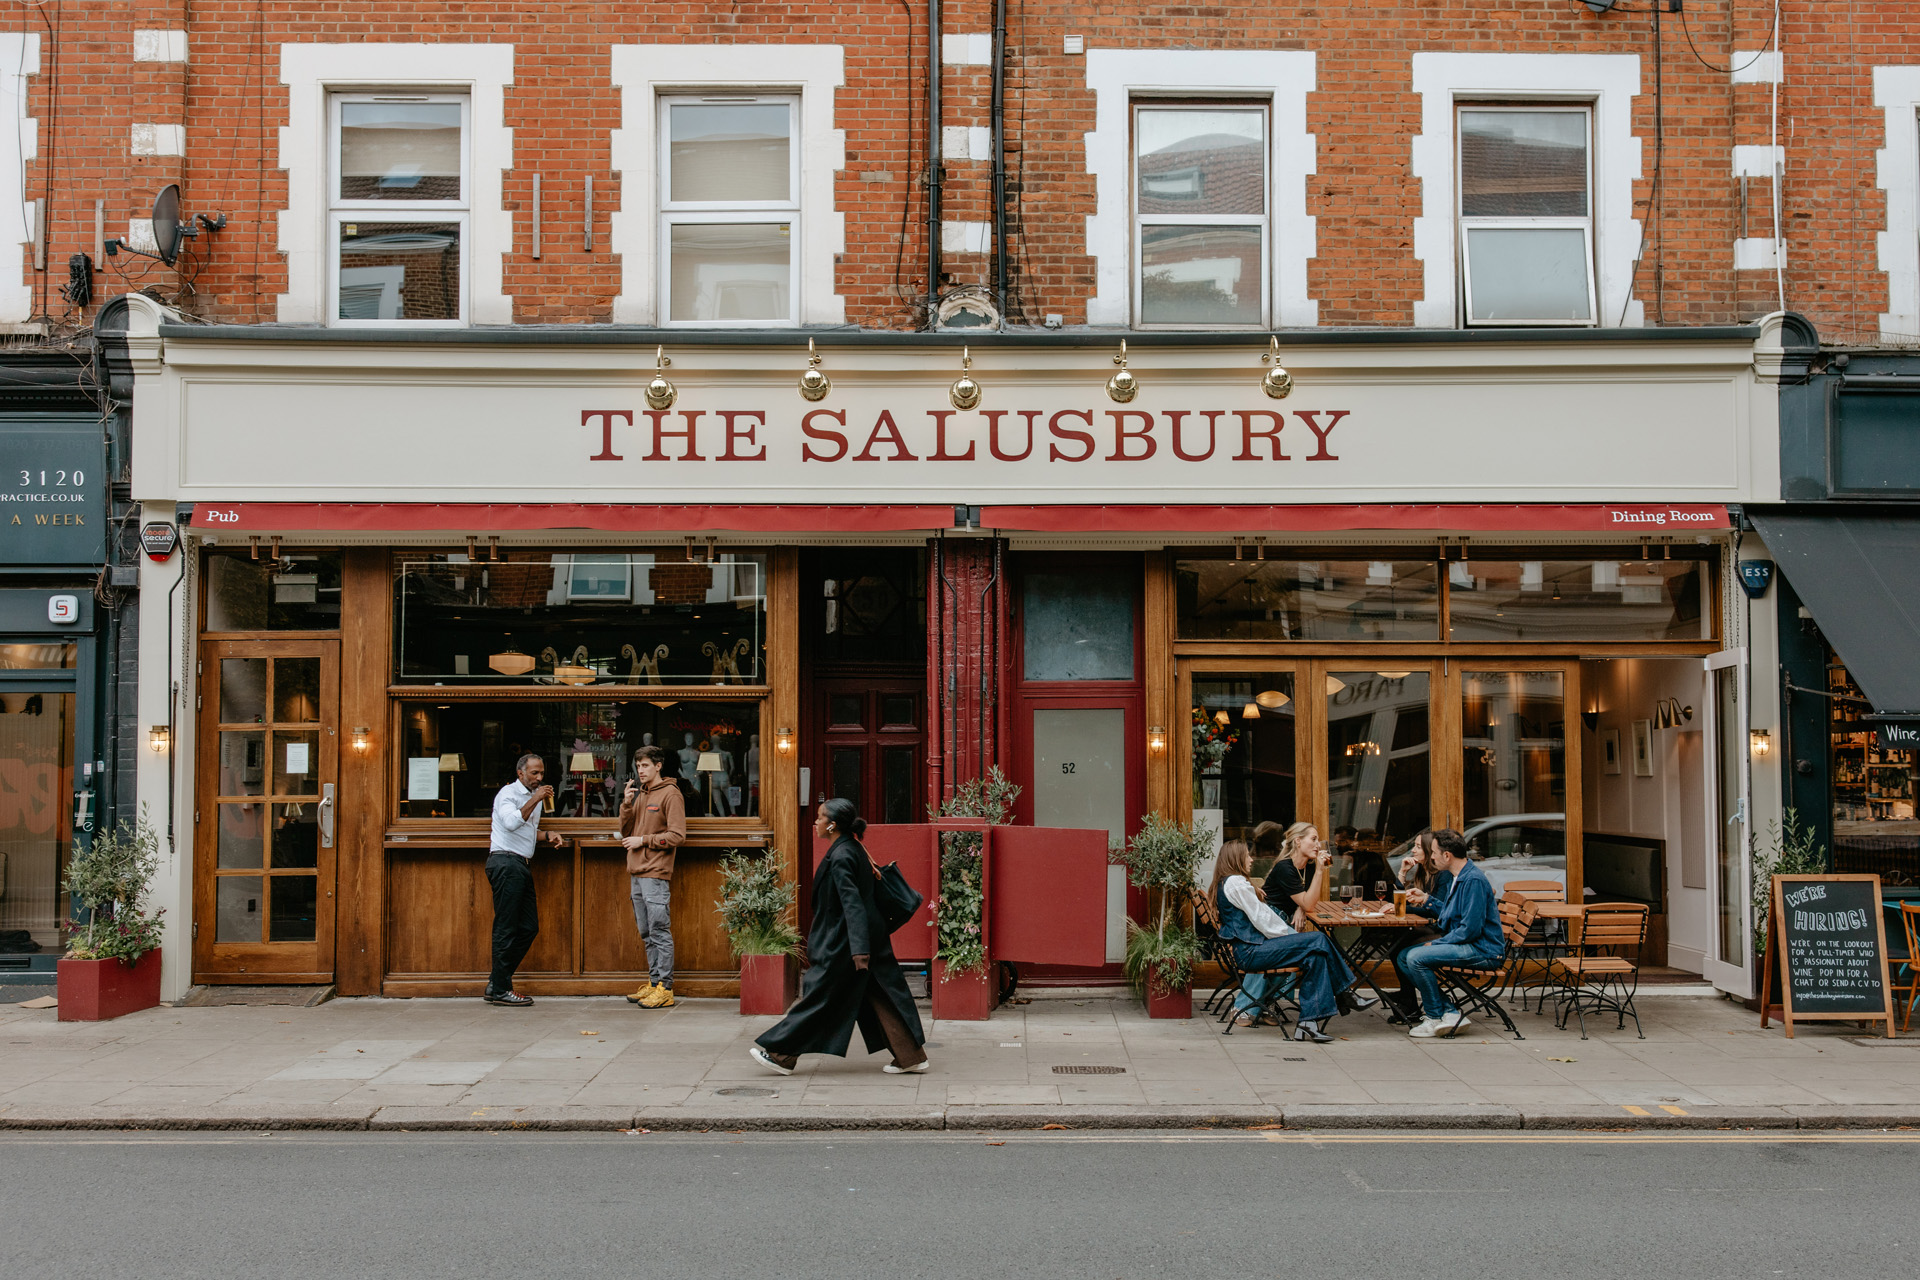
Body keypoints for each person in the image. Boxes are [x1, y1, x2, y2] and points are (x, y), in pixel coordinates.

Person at [749, 798, 929, 1076]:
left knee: (821, 997)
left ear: (832, 825)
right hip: (866, 938)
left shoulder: (842, 855)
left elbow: (852, 903)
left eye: (820, 818)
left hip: (847, 944)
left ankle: (780, 1055)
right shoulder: (852, 847)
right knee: (879, 995)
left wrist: (859, 951)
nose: (816, 822)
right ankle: (910, 1056)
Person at [1211, 840, 1376, 1042]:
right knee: (1317, 938)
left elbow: (1261, 917)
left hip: (1253, 949)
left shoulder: (1230, 882)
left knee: (1315, 956)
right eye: (1247, 855)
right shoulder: (1236, 882)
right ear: (1235, 859)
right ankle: (1345, 992)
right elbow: (1263, 919)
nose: (1252, 859)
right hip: (1251, 952)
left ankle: (1308, 1023)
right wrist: (1293, 938)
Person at [1393, 828, 1506, 1038]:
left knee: (1416, 957)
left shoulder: (1472, 880)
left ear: (1447, 855)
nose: (1432, 856)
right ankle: (1449, 1011)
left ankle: (1434, 1017)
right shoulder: (1460, 876)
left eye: (1434, 852)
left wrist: (1436, 944)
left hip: (1483, 950)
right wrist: (1428, 899)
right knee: (1402, 956)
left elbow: (1470, 930)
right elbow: (1450, 915)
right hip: (1470, 944)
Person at [484, 753, 565, 1007]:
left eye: (542, 773)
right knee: (506, 928)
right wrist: (536, 797)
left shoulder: (535, 797)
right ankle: (501, 989)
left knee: (529, 927)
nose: (539, 778)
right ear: (520, 773)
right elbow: (510, 823)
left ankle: (497, 981)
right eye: (534, 773)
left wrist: (547, 834)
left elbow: (526, 830)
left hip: (520, 864)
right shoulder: (507, 795)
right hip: (505, 863)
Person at [620, 744, 687, 1008]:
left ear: (658, 766)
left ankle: (666, 989)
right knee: (646, 932)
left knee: (659, 931)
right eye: (638, 766)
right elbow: (626, 830)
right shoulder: (640, 794)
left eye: (645, 765)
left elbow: (677, 835)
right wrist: (626, 804)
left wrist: (643, 840)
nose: (641, 770)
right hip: (636, 871)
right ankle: (654, 982)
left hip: (655, 872)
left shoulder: (671, 794)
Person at [1260, 821, 1332, 929]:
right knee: (1317, 940)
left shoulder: (1309, 865)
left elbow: (1308, 899)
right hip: (1271, 920)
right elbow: (1308, 905)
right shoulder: (1284, 868)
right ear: (1298, 841)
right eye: (1313, 839)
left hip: (1286, 918)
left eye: (1318, 840)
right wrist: (1319, 871)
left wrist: (1300, 908)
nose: (1318, 845)